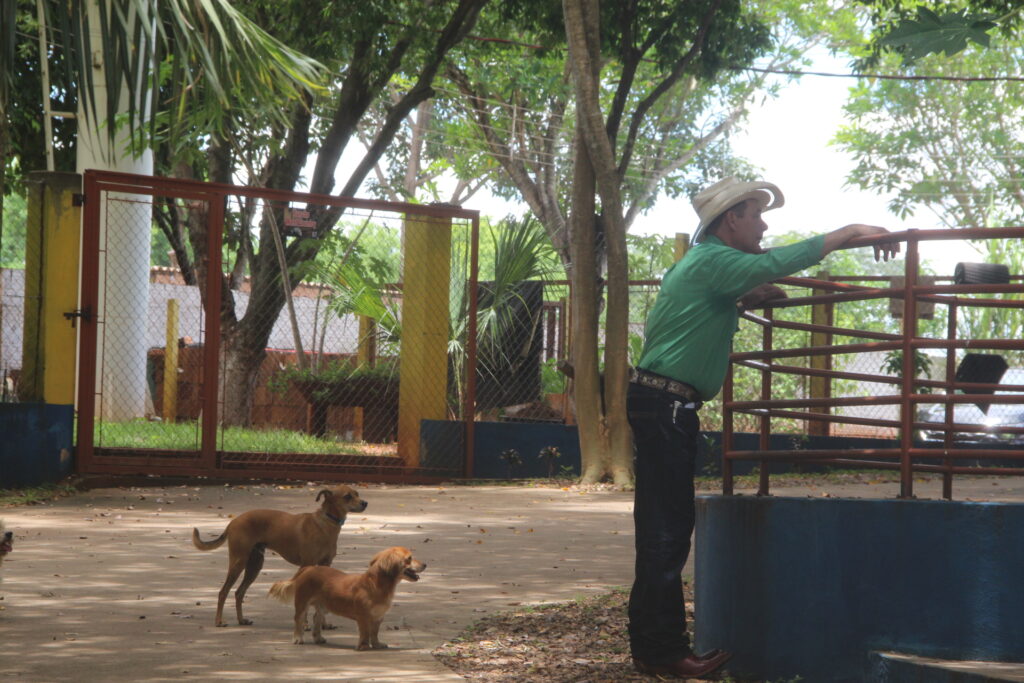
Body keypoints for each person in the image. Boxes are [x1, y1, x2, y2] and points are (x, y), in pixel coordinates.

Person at [627, 177, 899, 678]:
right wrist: (850, 231)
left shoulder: (706, 265)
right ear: (731, 219)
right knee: (666, 533)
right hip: (665, 405)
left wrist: (741, 301)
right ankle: (661, 651)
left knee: (664, 529)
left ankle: (653, 648)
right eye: (756, 214)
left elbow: (714, 302)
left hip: (662, 403)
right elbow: (774, 262)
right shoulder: (712, 260)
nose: (764, 224)